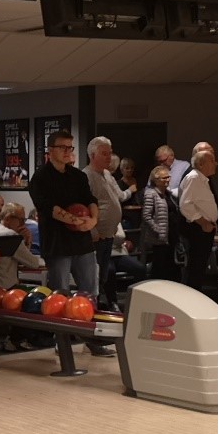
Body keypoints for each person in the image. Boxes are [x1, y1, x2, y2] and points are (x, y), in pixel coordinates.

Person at [27, 130, 99, 299]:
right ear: (50, 150)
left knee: (90, 293)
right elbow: (48, 207)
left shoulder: (78, 176)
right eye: (62, 147)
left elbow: (90, 199)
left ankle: (88, 323)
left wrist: (93, 220)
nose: (68, 151)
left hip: (83, 243)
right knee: (60, 294)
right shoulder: (40, 178)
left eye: (70, 147)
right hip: (57, 245)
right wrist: (77, 221)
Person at [83, 135, 125, 316]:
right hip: (97, 235)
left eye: (110, 153)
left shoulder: (107, 174)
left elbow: (118, 197)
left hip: (109, 234)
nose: (109, 157)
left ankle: (101, 307)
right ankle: (92, 310)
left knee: (104, 274)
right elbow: (83, 206)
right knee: (96, 275)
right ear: (93, 155)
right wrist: (92, 229)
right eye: (104, 154)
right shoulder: (86, 176)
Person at [178, 149, 218, 291]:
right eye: (212, 161)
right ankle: (189, 302)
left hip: (204, 230)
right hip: (198, 230)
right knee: (195, 269)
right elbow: (185, 205)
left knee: (199, 268)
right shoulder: (194, 178)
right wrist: (203, 222)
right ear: (201, 164)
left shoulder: (202, 179)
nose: (216, 163)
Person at [140, 166, 177, 281]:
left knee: (168, 266)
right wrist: (158, 230)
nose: (167, 180)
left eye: (168, 177)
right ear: (156, 180)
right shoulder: (151, 194)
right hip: (158, 238)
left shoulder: (168, 194)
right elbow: (146, 216)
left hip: (169, 235)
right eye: (164, 178)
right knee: (159, 267)